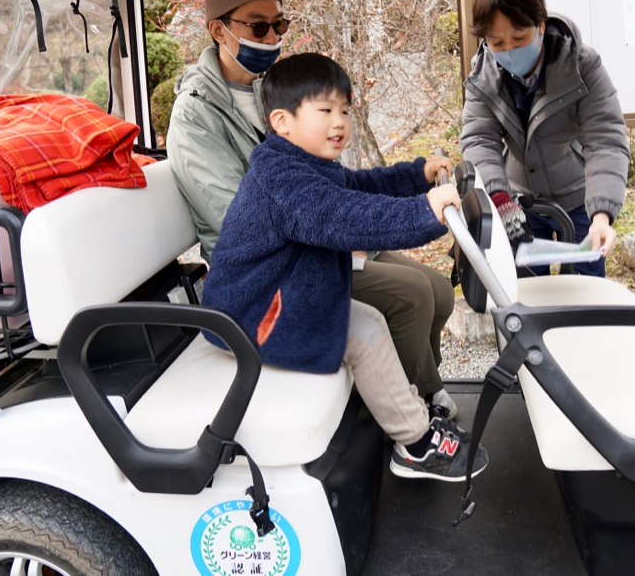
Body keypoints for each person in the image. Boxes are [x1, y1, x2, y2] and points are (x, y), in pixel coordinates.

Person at [166, 0, 457, 418]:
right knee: (412, 296)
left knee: (438, 290)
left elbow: (337, 185)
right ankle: (408, 411)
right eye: (259, 28)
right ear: (218, 30)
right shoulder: (196, 113)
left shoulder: (276, 88)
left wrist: (412, 180)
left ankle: (414, 388)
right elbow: (237, 216)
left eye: (279, 25)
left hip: (315, 233)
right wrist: (358, 230)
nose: (274, 39)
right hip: (274, 269)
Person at [201, 53, 488, 481]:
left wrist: (417, 176)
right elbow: (349, 217)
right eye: (325, 111)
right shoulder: (282, 181)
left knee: (370, 322)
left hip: (276, 298)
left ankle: (409, 414)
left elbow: (359, 187)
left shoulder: (303, 165)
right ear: (282, 121)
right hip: (252, 317)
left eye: (345, 111)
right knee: (367, 330)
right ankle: (415, 443)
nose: (340, 122)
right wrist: (425, 212)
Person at [460, 0, 629, 277]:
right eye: (496, 42)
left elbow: (605, 139)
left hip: (578, 196)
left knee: (585, 291)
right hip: (518, 198)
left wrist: (601, 215)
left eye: (519, 38)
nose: (509, 50)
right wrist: (501, 201)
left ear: (540, 26)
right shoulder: (483, 77)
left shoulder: (581, 64)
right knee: (525, 296)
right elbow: (479, 141)